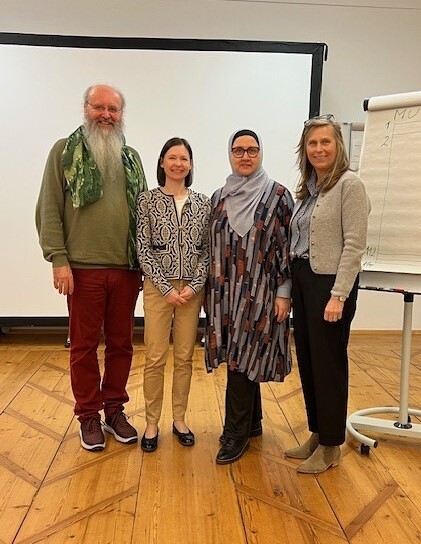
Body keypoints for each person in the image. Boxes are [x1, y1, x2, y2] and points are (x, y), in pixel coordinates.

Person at [36, 84, 147, 452]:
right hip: (82, 270)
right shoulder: (64, 152)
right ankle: (88, 415)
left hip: (126, 269)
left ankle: (114, 410)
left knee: (121, 345)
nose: (106, 115)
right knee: (83, 347)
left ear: (121, 114)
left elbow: (144, 215)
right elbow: (49, 207)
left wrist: (145, 264)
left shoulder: (131, 158)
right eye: (99, 107)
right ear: (85, 109)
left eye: (113, 109)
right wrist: (58, 259)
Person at [285, 115, 370, 473]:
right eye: (312, 143)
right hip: (304, 280)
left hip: (330, 286)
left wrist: (338, 295)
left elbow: (354, 245)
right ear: (304, 150)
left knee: (329, 364)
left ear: (338, 146)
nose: (318, 149)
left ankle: (332, 445)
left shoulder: (350, 185)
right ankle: (318, 433)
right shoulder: (309, 189)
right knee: (308, 360)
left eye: (325, 142)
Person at [205, 129, 294, 464]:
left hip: (261, 294)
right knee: (239, 353)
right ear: (230, 154)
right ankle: (252, 422)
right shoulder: (219, 197)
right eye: (238, 150)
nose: (245, 156)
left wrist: (284, 293)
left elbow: (286, 248)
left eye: (252, 150)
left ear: (261, 154)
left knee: (242, 357)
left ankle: (234, 434)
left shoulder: (278, 196)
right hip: (225, 296)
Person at [136, 137, 210, 453]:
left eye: (184, 159)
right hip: (158, 290)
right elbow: (143, 248)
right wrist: (166, 288)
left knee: (184, 357)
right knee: (155, 357)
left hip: (192, 290)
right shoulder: (147, 201)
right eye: (172, 157)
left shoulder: (203, 203)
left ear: (190, 165)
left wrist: (193, 286)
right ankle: (152, 423)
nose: (178, 163)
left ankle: (179, 419)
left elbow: (207, 251)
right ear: (162, 162)